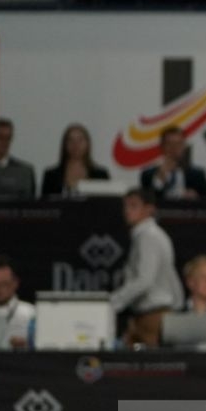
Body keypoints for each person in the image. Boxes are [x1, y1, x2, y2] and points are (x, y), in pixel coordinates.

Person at [110, 189, 183, 348]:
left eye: (134, 206)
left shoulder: (148, 236)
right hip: (149, 314)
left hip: (153, 316)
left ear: (149, 209)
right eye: (126, 206)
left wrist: (112, 303)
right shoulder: (150, 235)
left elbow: (145, 280)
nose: (127, 211)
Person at [41, 124, 111, 198]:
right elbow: (45, 206)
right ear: (64, 145)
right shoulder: (51, 176)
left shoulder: (101, 175)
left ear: (88, 144)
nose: (76, 145)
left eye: (80, 140)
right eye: (70, 140)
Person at [0, 256, 37, 350]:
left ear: (15, 283)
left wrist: (27, 345)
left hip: (20, 362)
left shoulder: (30, 312)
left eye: (4, 284)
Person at [0, 119, 38, 201]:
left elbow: (31, 204)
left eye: (8, 138)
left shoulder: (25, 171)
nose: (4, 142)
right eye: (0, 137)